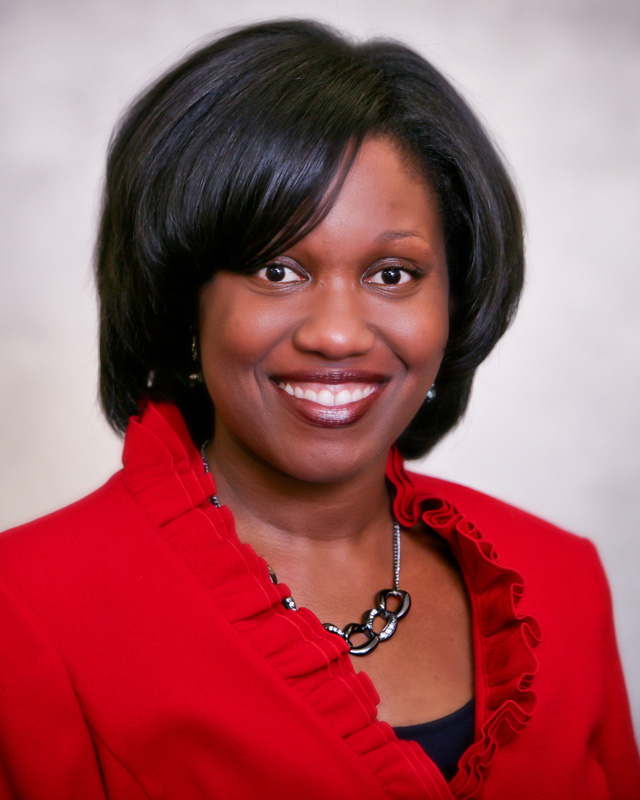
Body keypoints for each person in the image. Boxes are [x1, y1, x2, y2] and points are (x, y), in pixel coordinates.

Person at [0, 19, 637, 800]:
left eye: (394, 274)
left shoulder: (561, 581)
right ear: (185, 304)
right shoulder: (26, 609)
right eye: (278, 268)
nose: (337, 333)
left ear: (456, 299)